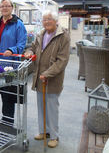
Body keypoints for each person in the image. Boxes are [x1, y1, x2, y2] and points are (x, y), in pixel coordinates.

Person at [24, 9, 70, 148]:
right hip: (39, 76)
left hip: (53, 78)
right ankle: (44, 132)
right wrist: (29, 52)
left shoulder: (63, 36)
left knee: (52, 107)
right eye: (44, 19)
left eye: (49, 19)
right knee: (41, 106)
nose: (46, 22)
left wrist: (47, 74)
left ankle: (54, 136)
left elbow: (62, 60)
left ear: (56, 21)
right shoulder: (41, 34)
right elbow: (33, 48)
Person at [0, 0, 27, 124]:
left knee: (9, 93)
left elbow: (22, 44)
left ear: (12, 8)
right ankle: (6, 118)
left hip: (10, 64)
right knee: (2, 91)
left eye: (7, 6)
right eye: (2, 6)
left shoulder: (18, 24)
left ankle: (8, 120)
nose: (4, 8)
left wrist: (12, 49)